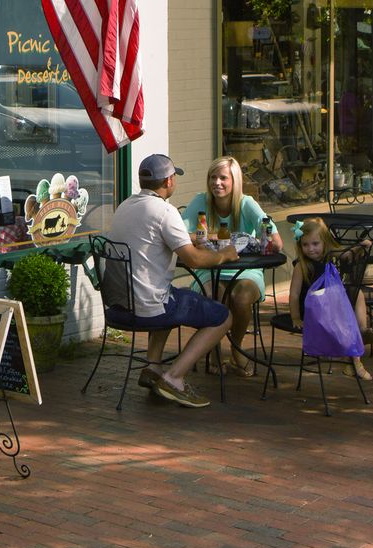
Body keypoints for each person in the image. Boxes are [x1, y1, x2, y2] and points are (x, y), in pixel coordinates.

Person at [106, 154, 241, 409]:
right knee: (223, 316)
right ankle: (174, 377)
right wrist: (224, 253)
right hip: (148, 308)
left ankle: (153, 367)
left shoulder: (126, 205)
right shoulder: (165, 211)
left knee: (171, 294)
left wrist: (193, 236)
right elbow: (194, 261)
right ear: (169, 181)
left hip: (120, 306)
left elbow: (154, 234)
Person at [181, 156, 279, 378]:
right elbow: (177, 234)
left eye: (223, 178)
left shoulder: (246, 203)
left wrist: (268, 238)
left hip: (246, 269)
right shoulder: (200, 201)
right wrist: (213, 237)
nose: (217, 183)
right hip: (208, 268)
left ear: (234, 181)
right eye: (213, 177)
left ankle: (236, 347)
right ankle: (214, 350)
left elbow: (275, 238)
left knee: (241, 297)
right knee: (216, 298)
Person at [287, 217, 373, 382]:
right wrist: (295, 317)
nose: (310, 249)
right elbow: (294, 294)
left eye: (315, 244)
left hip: (332, 305)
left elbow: (347, 254)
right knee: (344, 321)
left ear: (325, 243)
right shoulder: (302, 266)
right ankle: (355, 361)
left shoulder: (330, 256)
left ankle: (362, 330)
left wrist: (361, 247)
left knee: (356, 293)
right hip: (313, 310)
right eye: (305, 245)